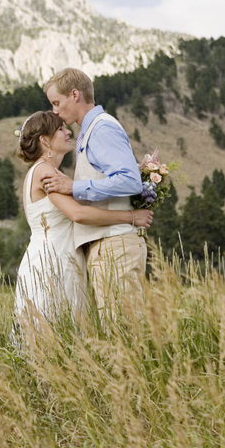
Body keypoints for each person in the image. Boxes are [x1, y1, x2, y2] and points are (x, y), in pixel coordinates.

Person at [14, 110, 152, 346]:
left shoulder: (42, 171)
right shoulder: (45, 172)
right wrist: (130, 216)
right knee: (55, 333)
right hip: (53, 262)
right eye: (60, 129)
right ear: (45, 140)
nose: (69, 131)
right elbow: (77, 214)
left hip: (51, 256)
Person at [41, 68, 146, 319]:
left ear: (74, 94)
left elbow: (131, 181)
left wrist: (73, 187)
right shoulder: (89, 132)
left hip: (115, 245)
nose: (55, 111)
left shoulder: (101, 128)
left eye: (57, 102)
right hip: (106, 245)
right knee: (116, 331)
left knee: (124, 333)